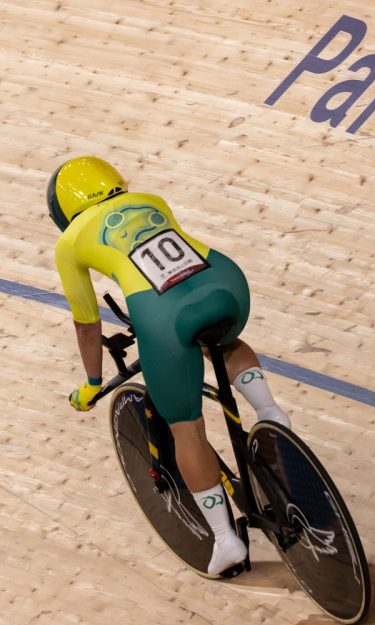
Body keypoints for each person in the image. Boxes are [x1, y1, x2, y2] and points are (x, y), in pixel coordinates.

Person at [49, 155, 291, 576]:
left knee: (186, 428)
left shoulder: (69, 243)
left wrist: (90, 384)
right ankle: (270, 411)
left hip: (164, 315)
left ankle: (225, 540)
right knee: (223, 337)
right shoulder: (151, 200)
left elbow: (87, 326)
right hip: (226, 283)